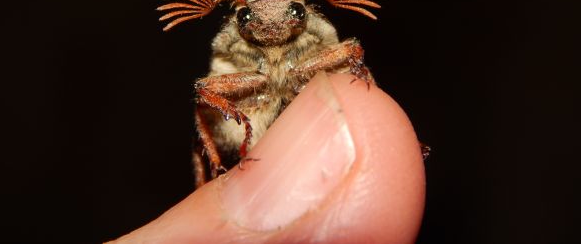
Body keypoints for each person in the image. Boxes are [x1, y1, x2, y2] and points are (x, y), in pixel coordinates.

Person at [111, 72, 426, 243]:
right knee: (203, 103)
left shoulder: (314, 44)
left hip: (300, 105)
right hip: (248, 113)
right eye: (249, 18)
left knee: (355, 69)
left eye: (293, 14)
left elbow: (350, 56)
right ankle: (212, 183)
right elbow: (206, 90)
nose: (271, 26)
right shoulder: (234, 51)